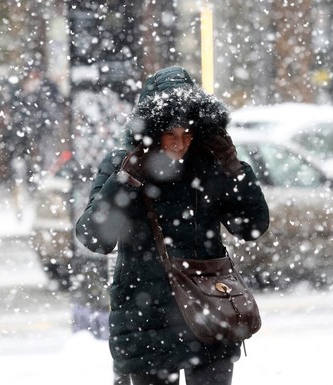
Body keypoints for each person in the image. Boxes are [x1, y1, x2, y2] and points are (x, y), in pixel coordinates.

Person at [75, 66, 270, 385]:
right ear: (152, 131)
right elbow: (94, 237)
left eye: (188, 134)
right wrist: (126, 180)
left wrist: (235, 170)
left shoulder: (211, 167)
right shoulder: (122, 165)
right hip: (144, 321)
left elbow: (251, 226)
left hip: (208, 313)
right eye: (171, 135)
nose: (180, 144)